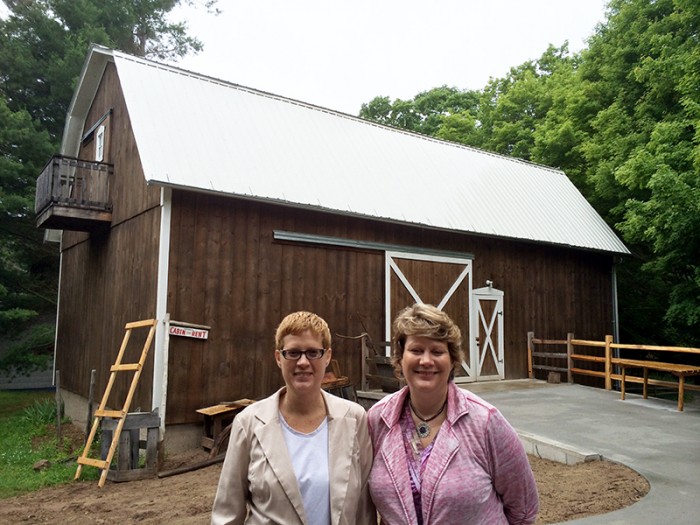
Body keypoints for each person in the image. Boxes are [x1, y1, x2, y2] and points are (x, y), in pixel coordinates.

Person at [367, 303, 539, 525]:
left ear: (452, 360)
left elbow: (524, 509)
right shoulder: (377, 420)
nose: (426, 361)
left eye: (437, 351)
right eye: (416, 350)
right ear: (401, 358)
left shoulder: (485, 422)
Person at [211, 311, 376, 525]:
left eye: (313, 352)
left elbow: (363, 509)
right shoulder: (249, 422)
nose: (303, 362)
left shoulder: (353, 419)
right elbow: (227, 513)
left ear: (327, 356)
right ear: (279, 358)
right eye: (293, 353)